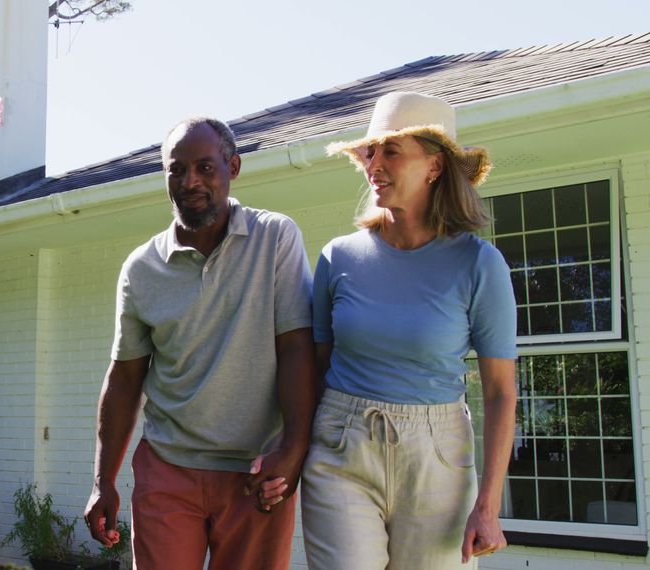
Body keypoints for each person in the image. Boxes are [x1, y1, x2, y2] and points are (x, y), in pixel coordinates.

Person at [268, 91, 517, 568]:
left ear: (435, 166)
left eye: (391, 151)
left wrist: (488, 505)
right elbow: (316, 368)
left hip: (437, 460)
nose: (373, 164)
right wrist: (288, 447)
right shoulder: (338, 258)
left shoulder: (479, 265)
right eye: (369, 152)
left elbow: (501, 392)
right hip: (343, 447)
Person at [83, 117, 316, 570]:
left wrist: (292, 452)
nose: (190, 182)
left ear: (233, 167)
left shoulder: (275, 238)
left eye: (205, 168)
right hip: (168, 470)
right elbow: (125, 377)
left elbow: (297, 350)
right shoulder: (141, 269)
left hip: (256, 472)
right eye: (177, 170)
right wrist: (102, 480)